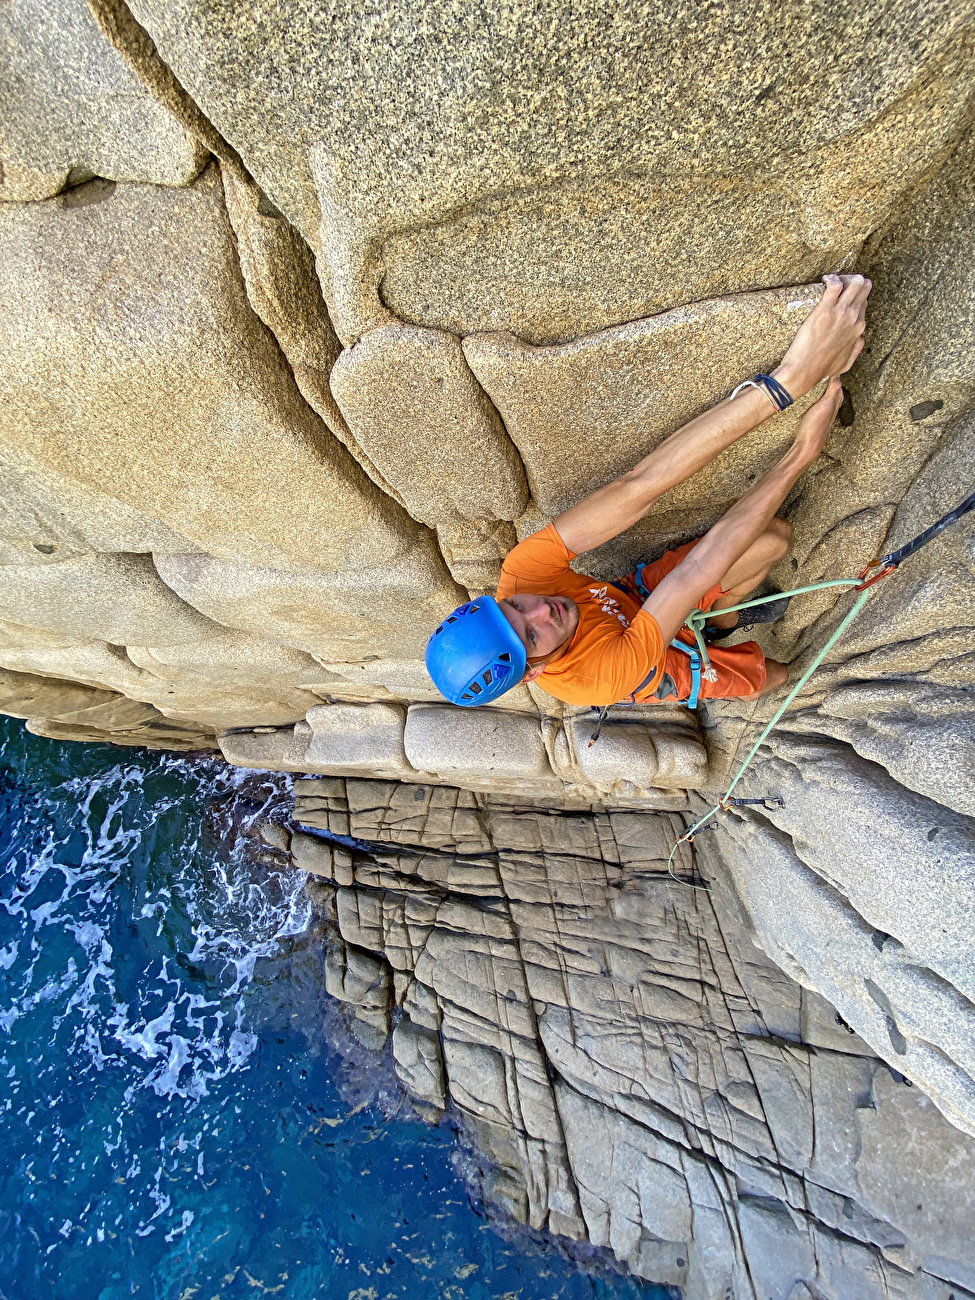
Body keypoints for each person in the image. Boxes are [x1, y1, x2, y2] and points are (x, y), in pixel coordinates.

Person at [426, 274, 872, 710]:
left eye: (515, 607)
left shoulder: (523, 572)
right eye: (531, 636)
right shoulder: (597, 678)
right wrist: (802, 452)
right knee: (767, 678)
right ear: (532, 671)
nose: (542, 610)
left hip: (630, 600)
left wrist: (790, 380)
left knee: (772, 539)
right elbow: (692, 572)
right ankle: (714, 627)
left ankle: (719, 622)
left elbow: (641, 485)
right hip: (644, 661)